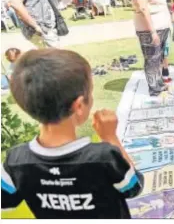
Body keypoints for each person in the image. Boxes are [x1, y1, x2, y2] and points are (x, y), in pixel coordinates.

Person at [1, 49, 144, 218]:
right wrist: (110, 137)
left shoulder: (15, 161)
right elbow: (133, 187)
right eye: (90, 93)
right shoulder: (103, 156)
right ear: (79, 106)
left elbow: (5, 202)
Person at [129, 0, 171, 96]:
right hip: (149, 28)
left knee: (158, 58)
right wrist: (152, 32)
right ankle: (154, 88)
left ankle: (158, 83)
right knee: (152, 58)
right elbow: (143, 8)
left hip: (162, 25)